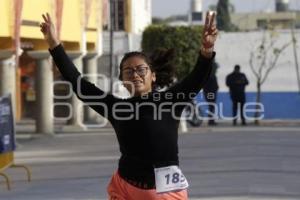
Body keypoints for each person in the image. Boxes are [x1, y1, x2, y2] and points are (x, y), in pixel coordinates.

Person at [40, 11, 218, 200]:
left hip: (166, 192)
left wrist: (206, 51)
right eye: (128, 71)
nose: (135, 75)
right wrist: (54, 44)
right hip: (124, 189)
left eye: (141, 69)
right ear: (122, 80)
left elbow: (197, 78)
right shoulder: (116, 108)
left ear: (153, 76)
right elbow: (78, 83)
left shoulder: (171, 101)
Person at [203, 61, 219, 126]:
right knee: (211, 107)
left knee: (211, 107)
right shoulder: (209, 76)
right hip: (210, 94)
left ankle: (211, 120)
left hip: (211, 93)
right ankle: (211, 121)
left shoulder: (211, 76)